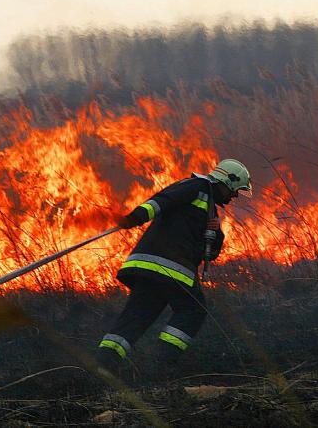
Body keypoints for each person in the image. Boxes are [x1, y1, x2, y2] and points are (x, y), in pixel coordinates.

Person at [95, 159, 252, 375]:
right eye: (235, 190)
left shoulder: (209, 209)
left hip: (149, 266)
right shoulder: (196, 186)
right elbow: (163, 200)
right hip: (171, 268)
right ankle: (161, 365)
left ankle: (102, 367)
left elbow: (210, 253)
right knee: (193, 310)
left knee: (136, 317)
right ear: (228, 181)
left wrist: (215, 233)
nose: (234, 196)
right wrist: (135, 218)